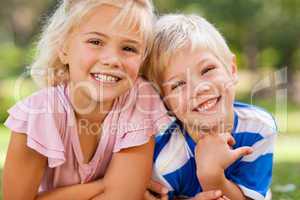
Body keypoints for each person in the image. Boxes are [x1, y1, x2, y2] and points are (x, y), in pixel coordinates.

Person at [2, 0, 171, 199]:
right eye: (96, 42)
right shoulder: (38, 115)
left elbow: (121, 196)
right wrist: (106, 185)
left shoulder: (140, 101)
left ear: (142, 59)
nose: (112, 59)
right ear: (64, 48)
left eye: (129, 48)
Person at [143, 14, 277, 200]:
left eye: (207, 70)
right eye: (178, 84)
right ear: (165, 104)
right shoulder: (165, 160)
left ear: (232, 70)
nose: (200, 88)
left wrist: (211, 175)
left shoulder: (259, 128)